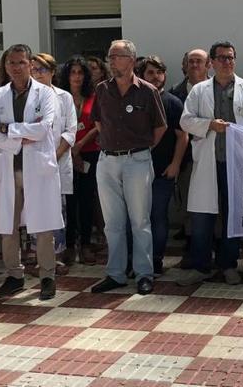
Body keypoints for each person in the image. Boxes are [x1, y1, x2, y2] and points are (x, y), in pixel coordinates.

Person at [178, 41, 243, 286]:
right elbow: (186, 121)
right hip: (208, 161)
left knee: (232, 216)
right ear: (212, 62)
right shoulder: (199, 90)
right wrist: (209, 125)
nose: (227, 62)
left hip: (237, 164)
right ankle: (200, 266)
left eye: (230, 58)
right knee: (202, 217)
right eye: (222, 58)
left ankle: (228, 265)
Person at [0, 44, 64, 301]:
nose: (15, 68)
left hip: (37, 169)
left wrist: (9, 129)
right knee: (7, 226)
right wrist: (20, 136)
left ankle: (47, 277)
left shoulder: (45, 94)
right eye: (11, 63)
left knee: (43, 226)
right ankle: (14, 276)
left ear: (30, 64)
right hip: (8, 169)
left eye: (21, 62)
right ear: (4, 66)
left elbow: (44, 129)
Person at [89, 40, 166, 296]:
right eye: (109, 56)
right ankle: (115, 274)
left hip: (137, 161)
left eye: (116, 56)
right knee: (112, 223)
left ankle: (144, 273)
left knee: (140, 220)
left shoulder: (147, 91)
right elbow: (98, 122)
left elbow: (160, 127)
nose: (111, 61)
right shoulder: (102, 90)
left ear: (131, 60)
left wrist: (140, 150)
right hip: (107, 160)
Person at [138, 56, 188, 276]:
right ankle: (138, 261)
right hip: (135, 170)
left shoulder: (173, 102)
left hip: (162, 171)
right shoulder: (136, 99)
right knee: (138, 218)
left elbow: (182, 136)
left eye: (159, 72)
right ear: (141, 75)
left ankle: (156, 260)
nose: (156, 77)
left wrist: (175, 164)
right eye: (150, 72)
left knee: (158, 216)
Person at [31, 53, 77, 273]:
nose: (37, 74)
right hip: (32, 161)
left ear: (52, 72)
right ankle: (37, 257)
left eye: (42, 70)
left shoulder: (64, 97)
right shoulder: (26, 97)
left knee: (57, 209)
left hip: (57, 161)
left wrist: (54, 155)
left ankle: (56, 256)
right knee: (33, 209)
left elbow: (70, 131)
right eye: (34, 70)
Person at [59, 57, 101, 265]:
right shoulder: (59, 97)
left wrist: (80, 145)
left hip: (89, 152)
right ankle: (68, 245)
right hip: (64, 153)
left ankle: (85, 244)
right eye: (72, 72)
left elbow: (98, 125)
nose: (76, 76)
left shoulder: (94, 96)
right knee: (69, 200)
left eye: (80, 72)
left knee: (86, 199)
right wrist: (71, 149)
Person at [169, 48, 209, 265]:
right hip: (187, 160)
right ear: (184, 66)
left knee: (215, 206)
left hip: (213, 157)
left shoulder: (219, 90)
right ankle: (192, 250)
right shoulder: (175, 95)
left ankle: (215, 248)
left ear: (208, 65)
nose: (194, 65)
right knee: (189, 206)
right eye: (190, 62)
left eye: (199, 61)